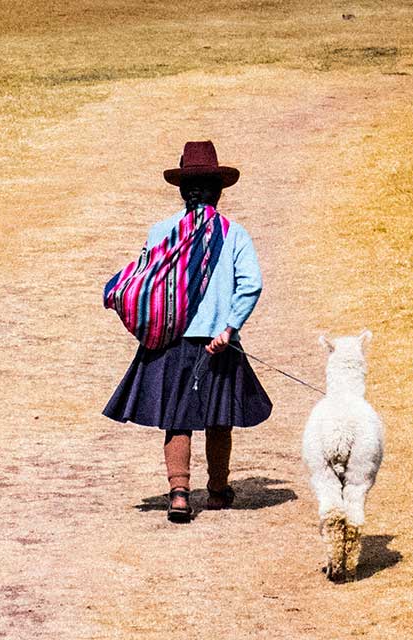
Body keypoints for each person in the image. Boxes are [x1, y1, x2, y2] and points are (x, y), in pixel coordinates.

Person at [103, 140, 272, 523]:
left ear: (183, 191)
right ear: (218, 192)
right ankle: (216, 491)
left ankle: (179, 494)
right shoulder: (234, 234)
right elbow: (251, 284)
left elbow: (145, 285)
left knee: (177, 418)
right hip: (219, 343)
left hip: (170, 341)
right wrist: (229, 327)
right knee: (218, 417)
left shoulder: (162, 231)